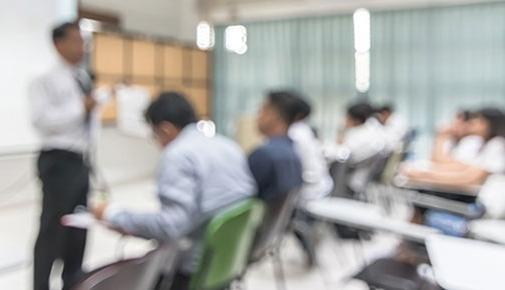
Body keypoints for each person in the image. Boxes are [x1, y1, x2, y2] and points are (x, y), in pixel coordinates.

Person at [93, 92, 255, 290]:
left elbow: (170, 227)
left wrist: (114, 214)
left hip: (193, 271)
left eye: (154, 135)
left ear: (165, 129)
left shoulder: (177, 156)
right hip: (229, 262)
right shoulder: (230, 147)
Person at [29, 22, 98, 290]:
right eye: (77, 40)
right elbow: (42, 121)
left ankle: (73, 280)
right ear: (59, 43)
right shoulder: (43, 77)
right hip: (58, 160)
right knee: (52, 229)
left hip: (80, 160)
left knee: (79, 225)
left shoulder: (80, 76)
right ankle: (40, 285)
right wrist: (81, 107)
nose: (82, 46)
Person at [405, 108, 505, 188]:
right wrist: (424, 175)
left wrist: (425, 176)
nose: (472, 125)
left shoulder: (496, 145)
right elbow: (462, 169)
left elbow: (471, 178)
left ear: (490, 124)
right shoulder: (484, 144)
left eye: (478, 121)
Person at [287, 94, 333, 267]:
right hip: (321, 186)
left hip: (307, 192)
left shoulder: (293, 134)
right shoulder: (306, 131)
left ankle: (308, 244)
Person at [248, 91, 303, 202]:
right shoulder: (292, 152)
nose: (257, 117)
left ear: (273, 116)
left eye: (261, 111)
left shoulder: (264, 155)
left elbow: (240, 195)